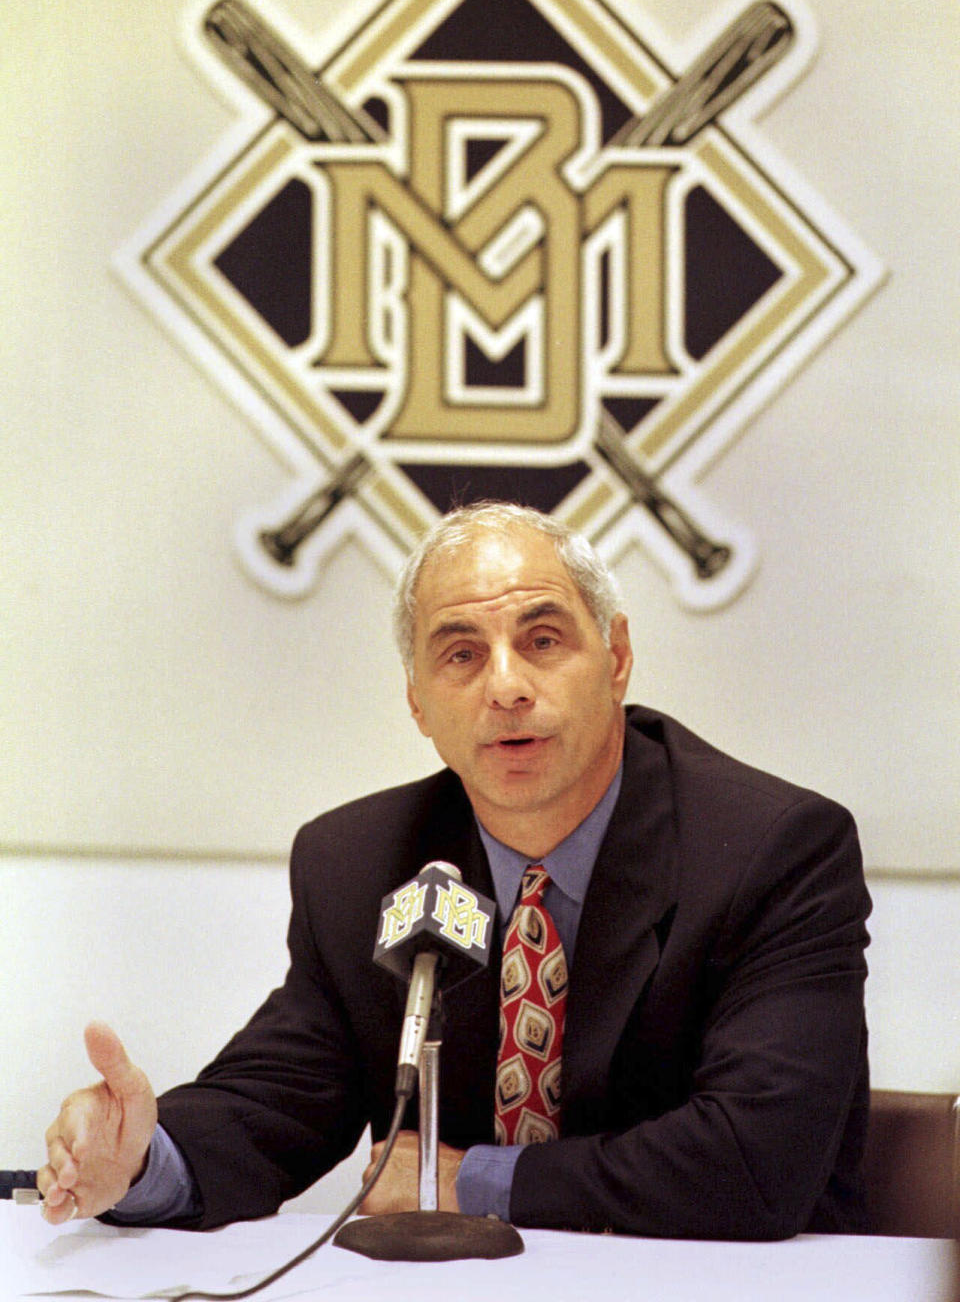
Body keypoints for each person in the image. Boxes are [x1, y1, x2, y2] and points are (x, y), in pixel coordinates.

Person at [38, 502, 871, 1239]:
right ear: (417, 702)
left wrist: (461, 1180)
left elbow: (756, 1162)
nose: (506, 686)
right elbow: (278, 1103)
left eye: (543, 641)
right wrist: (143, 1160)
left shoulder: (773, 850)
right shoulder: (360, 863)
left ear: (617, 657)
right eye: (461, 656)